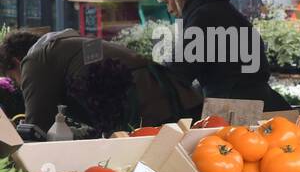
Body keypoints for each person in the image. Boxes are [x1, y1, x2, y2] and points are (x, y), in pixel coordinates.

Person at [10, 28, 201, 134]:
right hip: (172, 94)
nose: (20, 85)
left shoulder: (34, 60)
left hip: (142, 107)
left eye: (13, 78)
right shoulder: (66, 43)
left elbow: (38, 124)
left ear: (16, 62)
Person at [154, 0, 290, 110]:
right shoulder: (225, 10)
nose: (169, 9)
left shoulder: (203, 17)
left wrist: (151, 74)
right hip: (262, 102)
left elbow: (178, 72)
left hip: (231, 109)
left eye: (167, 1)